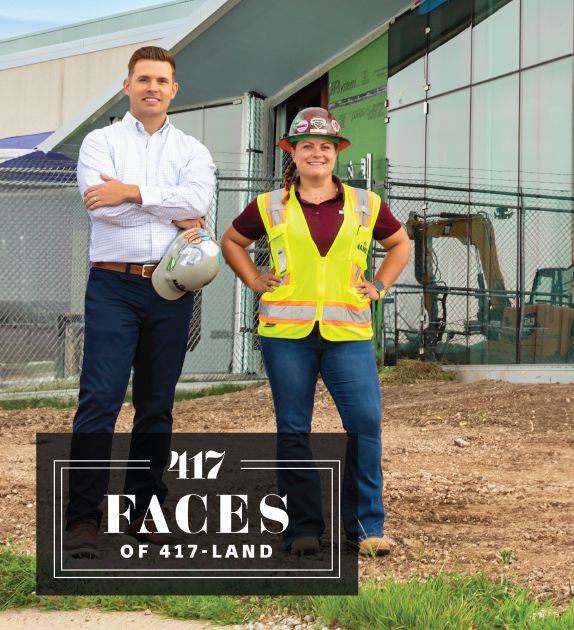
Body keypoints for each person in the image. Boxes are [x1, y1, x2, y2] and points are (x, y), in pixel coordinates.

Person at [220, 108, 411, 557]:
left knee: (364, 424)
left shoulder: (366, 204)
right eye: (307, 145)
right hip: (286, 335)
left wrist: (379, 284)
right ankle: (302, 528)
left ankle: (365, 529)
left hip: (348, 334)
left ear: (336, 153)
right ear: (292, 151)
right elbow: (231, 241)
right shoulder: (270, 205)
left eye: (325, 146)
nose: (317, 153)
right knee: (293, 430)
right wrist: (253, 279)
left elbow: (401, 244)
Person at [64, 46, 215, 558]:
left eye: (162, 80)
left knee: (156, 407)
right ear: (127, 85)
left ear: (174, 89)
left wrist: (129, 192)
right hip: (112, 286)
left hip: (169, 288)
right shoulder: (99, 142)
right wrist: (163, 205)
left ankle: (143, 514)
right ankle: (83, 519)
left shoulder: (193, 150)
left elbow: (196, 203)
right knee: (100, 402)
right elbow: (100, 211)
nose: (153, 87)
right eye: (143, 78)